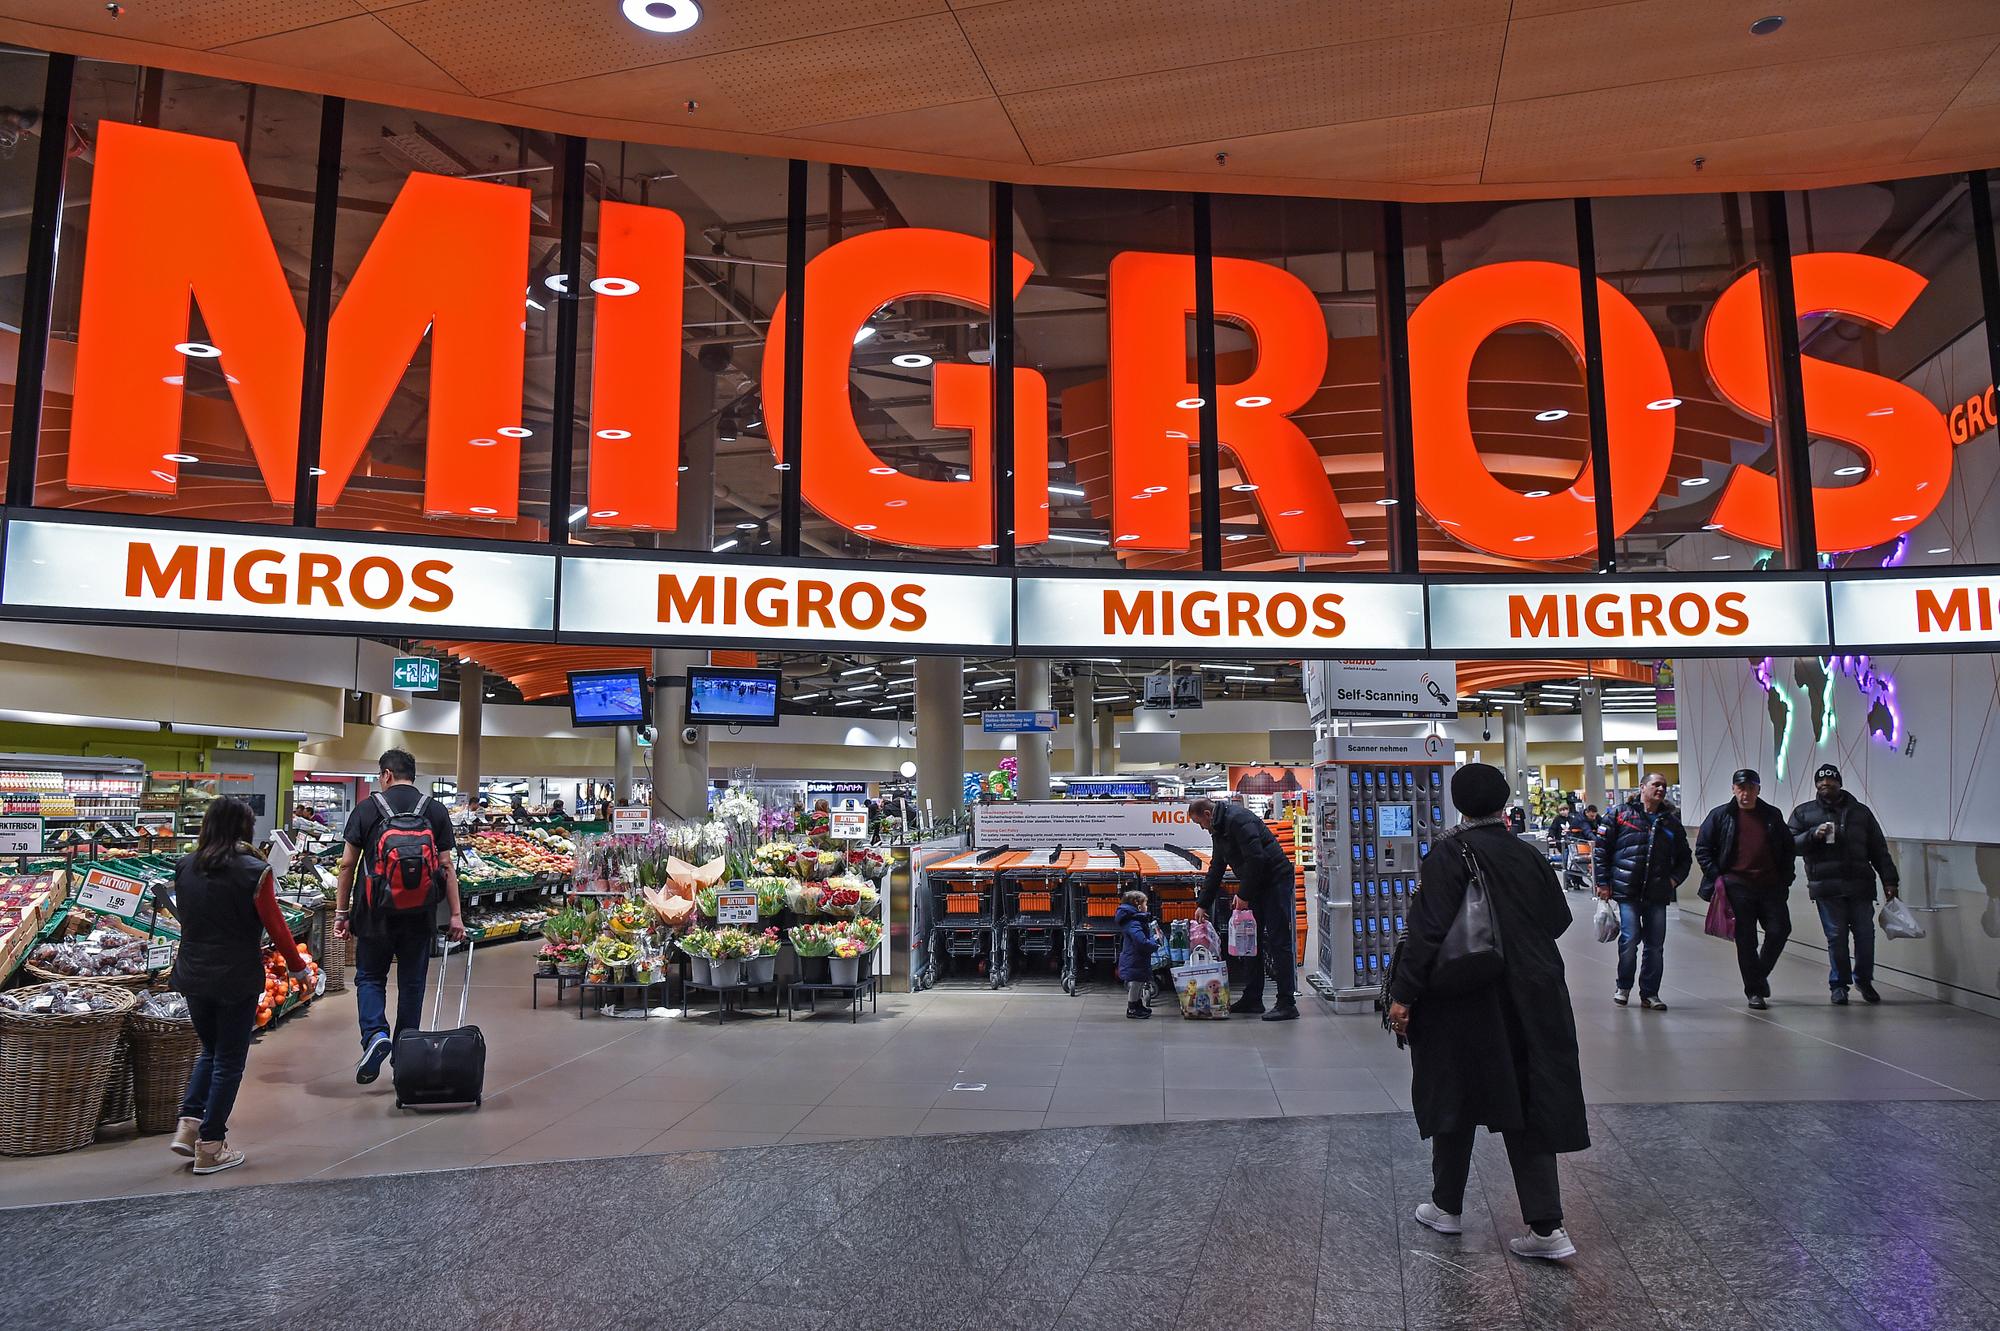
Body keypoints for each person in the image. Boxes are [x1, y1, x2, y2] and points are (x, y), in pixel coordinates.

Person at [1387, 763, 1588, 1262]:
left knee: (1453, 1093)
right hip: (1534, 994)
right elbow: (1559, 918)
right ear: (1503, 802)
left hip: (1466, 999)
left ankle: (1446, 1207)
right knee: (1527, 1101)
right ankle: (1547, 1227)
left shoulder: (1449, 854)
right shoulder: (1527, 853)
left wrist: (1403, 995)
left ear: (1458, 804)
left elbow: (1428, 933)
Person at [163, 796, 312, 1175]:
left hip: (192, 973)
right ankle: (211, 1146)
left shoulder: (185, 866)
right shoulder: (254, 871)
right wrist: (298, 969)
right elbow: (276, 926)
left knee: (211, 1050)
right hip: (235, 975)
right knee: (229, 1060)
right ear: (244, 828)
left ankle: (189, 1125)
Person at [333, 749, 464, 1084]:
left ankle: (376, 1034)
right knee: (412, 984)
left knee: (370, 977)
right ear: (413, 775)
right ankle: (405, 1056)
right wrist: (456, 916)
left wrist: (342, 913)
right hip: (420, 914)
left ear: (386, 775)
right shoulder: (434, 810)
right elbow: (447, 867)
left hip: (374, 913)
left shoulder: (367, 809)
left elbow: (347, 865)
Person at [1788, 763, 1900, 1005]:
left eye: (1830, 780)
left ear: (1839, 783)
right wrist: (1813, 835)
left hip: (1860, 885)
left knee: (1865, 935)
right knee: (1836, 936)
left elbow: (1878, 850)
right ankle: (1839, 984)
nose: (1825, 784)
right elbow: (1789, 844)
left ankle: (1864, 980)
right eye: (1821, 781)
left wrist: (1890, 880)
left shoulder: (1860, 813)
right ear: (1816, 785)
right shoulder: (1804, 813)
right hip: (1826, 887)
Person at [1694, 768, 1797, 1010]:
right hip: (1736, 886)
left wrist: (1786, 879)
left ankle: (1758, 976)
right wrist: (1718, 877)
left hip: (1770, 885)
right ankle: (1754, 991)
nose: (1745, 793)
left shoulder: (1772, 815)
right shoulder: (1721, 816)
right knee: (1746, 939)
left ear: (1758, 790)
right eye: (1741, 788)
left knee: (1780, 929)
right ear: (1733, 789)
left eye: (1751, 788)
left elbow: (1787, 849)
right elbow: (1703, 849)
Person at [1190, 795, 1297, 1020]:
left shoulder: (1238, 820)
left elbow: (1257, 859)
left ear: (1208, 814)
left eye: (1200, 823)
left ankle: (1287, 1003)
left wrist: (1244, 894)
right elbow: (1217, 866)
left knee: (1278, 940)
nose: (1201, 827)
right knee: (1249, 941)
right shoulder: (1219, 829)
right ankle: (1253, 998)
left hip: (1275, 880)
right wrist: (1203, 904)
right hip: (1256, 883)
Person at [1594, 772, 1692, 1010]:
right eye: (1655, 784)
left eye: (1664, 786)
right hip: (1627, 890)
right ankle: (1623, 986)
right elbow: (1601, 850)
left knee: (1655, 945)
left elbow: (1685, 858)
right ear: (1642, 787)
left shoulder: (1671, 822)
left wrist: (1673, 881)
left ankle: (1650, 993)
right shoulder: (1620, 814)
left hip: (1657, 893)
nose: (1661, 789)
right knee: (1629, 939)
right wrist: (1603, 883)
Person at [1114, 889, 1155, 1021]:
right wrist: (1153, 944)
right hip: (1135, 958)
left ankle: (1137, 1005)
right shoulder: (1134, 923)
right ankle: (1132, 1008)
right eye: (1145, 904)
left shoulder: (1134, 920)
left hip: (1136, 957)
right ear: (1138, 905)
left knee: (1139, 982)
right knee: (1136, 984)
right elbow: (1140, 941)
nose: (1147, 907)